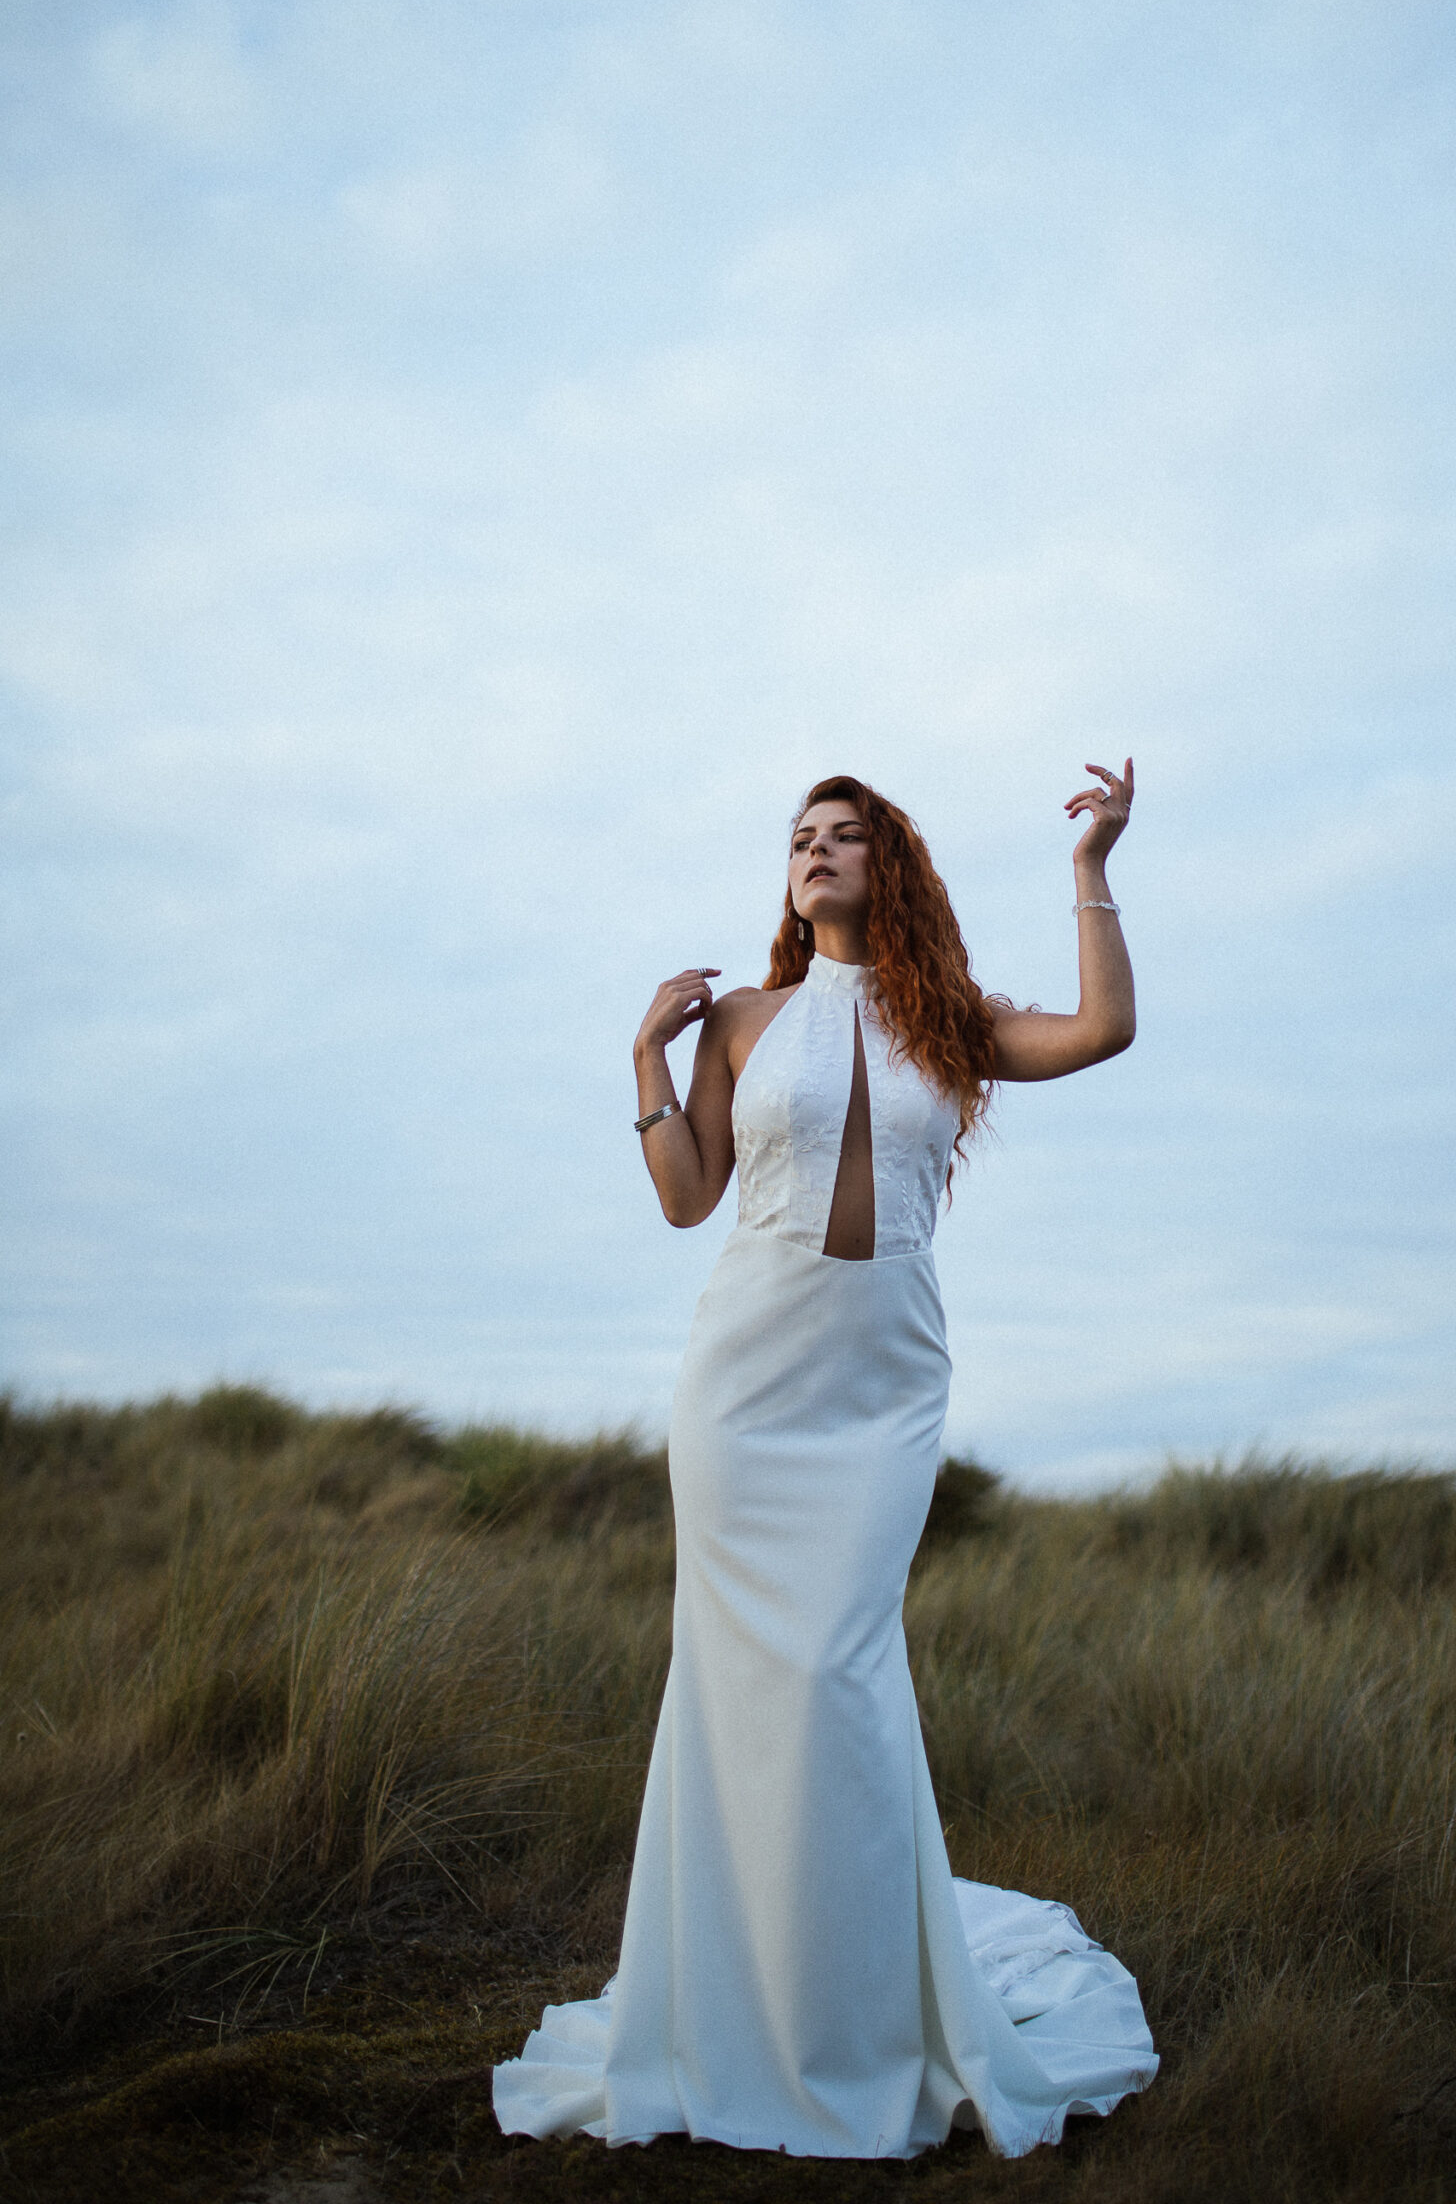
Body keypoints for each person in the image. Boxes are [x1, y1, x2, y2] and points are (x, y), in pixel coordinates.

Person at [492, 761, 1159, 2158]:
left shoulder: (949, 1022)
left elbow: (1104, 1028)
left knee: (844, 1674)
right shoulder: (743, 1019)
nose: (816, 854)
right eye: (800, 838)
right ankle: (730, 2007)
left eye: (844, 837)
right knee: (739, 1685)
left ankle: (855, 2015)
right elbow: (688, 1202)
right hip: (748, 1378)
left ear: (889, 867)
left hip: (883, 1382)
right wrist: (646, 1067)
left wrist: (1093, 863)